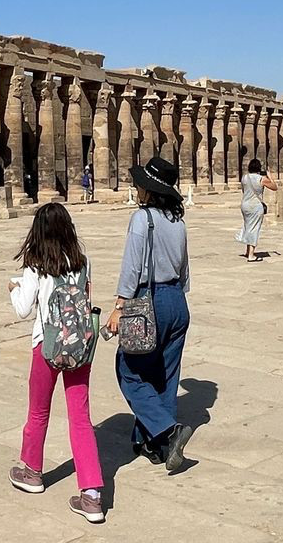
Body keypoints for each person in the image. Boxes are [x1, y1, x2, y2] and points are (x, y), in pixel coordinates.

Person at [7, 203, 105, 523]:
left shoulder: (36, 264)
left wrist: (14, 289)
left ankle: (32, 471)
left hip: (46, 345)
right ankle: (92, 495)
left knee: (39, 411)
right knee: (80, 417)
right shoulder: (82, 261)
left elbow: (23, 309)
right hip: (79, 345)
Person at [105, 157, 193, 472]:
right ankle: (153, 445)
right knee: (164, 375)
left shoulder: (142, 219)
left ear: (149, 190)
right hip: (177, 301)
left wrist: (120, 306)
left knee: (128, 369)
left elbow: (132, 266)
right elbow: (184, 268)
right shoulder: (178, 221)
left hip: (148, 300)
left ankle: (168, 431)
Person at [235, 158, 277, 262]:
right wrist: (270, 176)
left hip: (245, 204)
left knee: (248, 227)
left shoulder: (244, 177)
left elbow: (244, 190)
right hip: (255, 205)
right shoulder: (261, 179)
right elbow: (274, 187)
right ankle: (251, 255)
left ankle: (247, 251)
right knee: (254, 229)